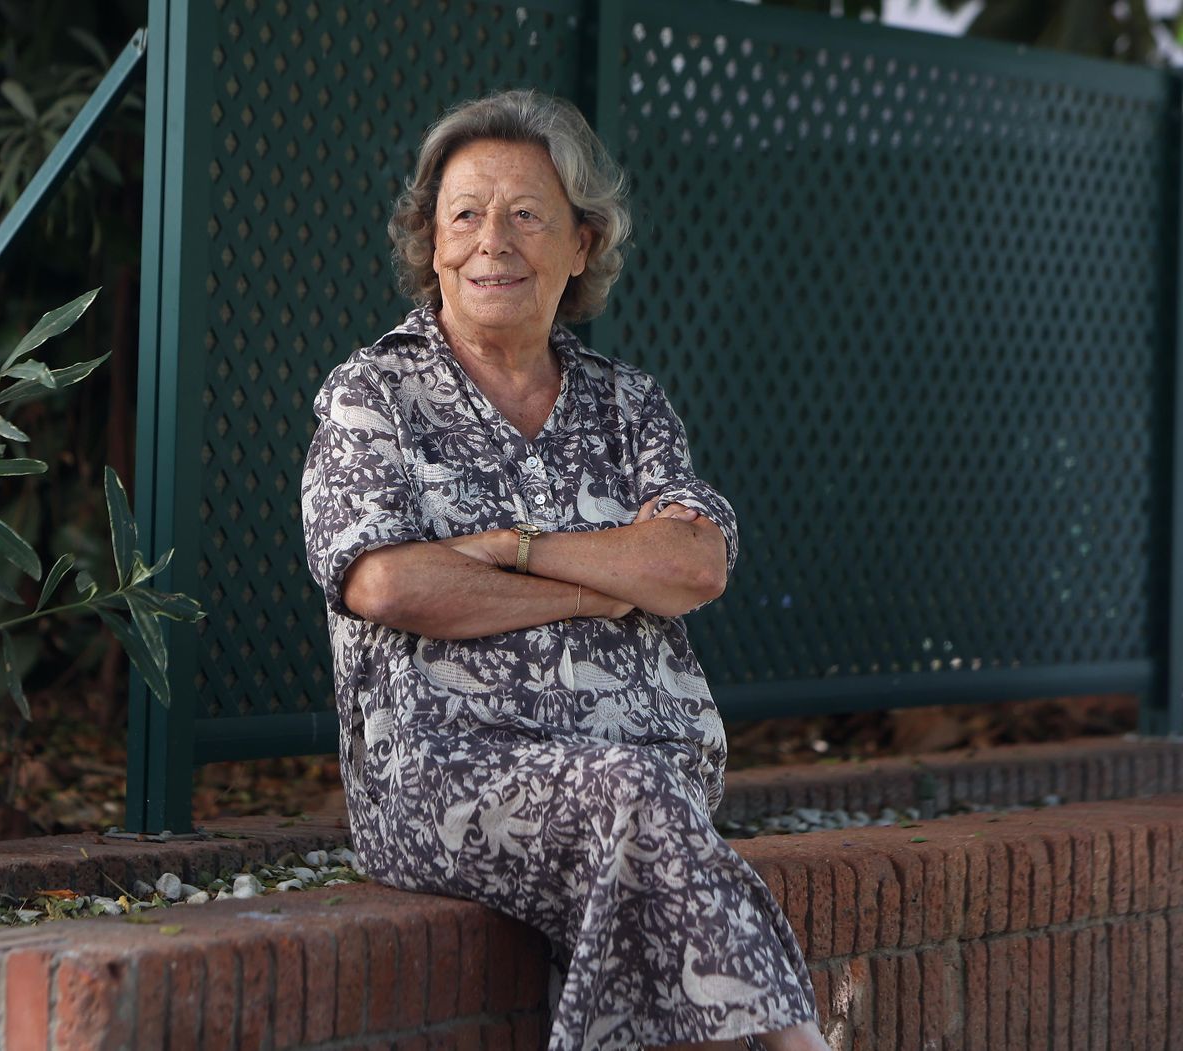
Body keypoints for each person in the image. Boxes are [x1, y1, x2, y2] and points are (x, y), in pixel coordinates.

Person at [299, 89, 829, 1051]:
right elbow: (387, 584)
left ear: (581, 244)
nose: (489, 240)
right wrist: (607, 584)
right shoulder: (372, 394)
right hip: (445, 775)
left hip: (652, 766)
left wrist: (512, 549)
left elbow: (694, 560)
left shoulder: (628, 403)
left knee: (634, 810)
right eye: (463, 215)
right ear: (430, 243)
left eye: (526, 213)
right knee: (631, 804)